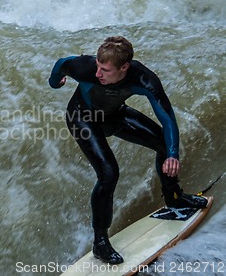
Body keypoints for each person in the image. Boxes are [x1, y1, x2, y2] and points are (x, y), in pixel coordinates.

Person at [48, 36, 208, 264]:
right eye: (98, 67)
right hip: (83, 118)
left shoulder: (144, 79)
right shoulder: (85, 67)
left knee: (163, 142)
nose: (98, 74)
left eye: (105, 70)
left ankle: (174, 198)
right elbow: (62, 63)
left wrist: (172, 154)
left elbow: (167, 116)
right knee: (108, 173)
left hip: (115, 114)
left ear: (124, 68)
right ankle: (100, 243)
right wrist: (55, 82)